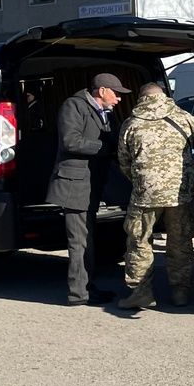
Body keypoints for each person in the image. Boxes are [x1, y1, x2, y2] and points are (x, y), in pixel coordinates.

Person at [116, 83, 194, 309]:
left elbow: (124, 161)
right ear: (164, 96)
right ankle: (180, 292)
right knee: (180, 242)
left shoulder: (131, 123)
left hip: (144, 194)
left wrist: (141, 181)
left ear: (141, 97)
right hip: (181, 193)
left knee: (139, 242)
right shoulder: (185, 118)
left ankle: (141, 292)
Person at [47, 73, 130, 306]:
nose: (119, 99)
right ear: (102, 91)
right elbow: (70, 141)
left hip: (91, 185)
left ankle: (86, 287)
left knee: (87, 238)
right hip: (74, 185)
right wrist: (105, 147)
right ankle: (78, 294)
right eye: (116, 93)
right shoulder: (73, 106)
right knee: (79, 241)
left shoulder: (105, 113)